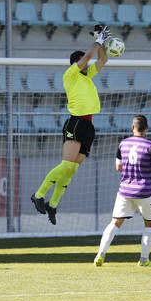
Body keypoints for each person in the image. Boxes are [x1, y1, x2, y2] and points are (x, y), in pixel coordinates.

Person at [31, 25, 111, 225]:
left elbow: (103, 59)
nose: (86, 63)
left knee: (72, 169)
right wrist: (97, 41)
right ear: (76, 63)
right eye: (83, 60)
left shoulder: (87, 75)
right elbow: (87, 58)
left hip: (88, 125)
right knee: (66, 165)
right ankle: (39, 195)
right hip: (75, 122)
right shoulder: (70, 75)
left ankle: (53, 204)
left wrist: (102, 42)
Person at [94, 115, 151, 267]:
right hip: (144, 192)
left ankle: (100, 255)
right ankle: (144, 260)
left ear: (132, 127)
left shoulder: (123, 144)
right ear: (146, 127)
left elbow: (118, 167)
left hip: (125, 191)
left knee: (115, 222)